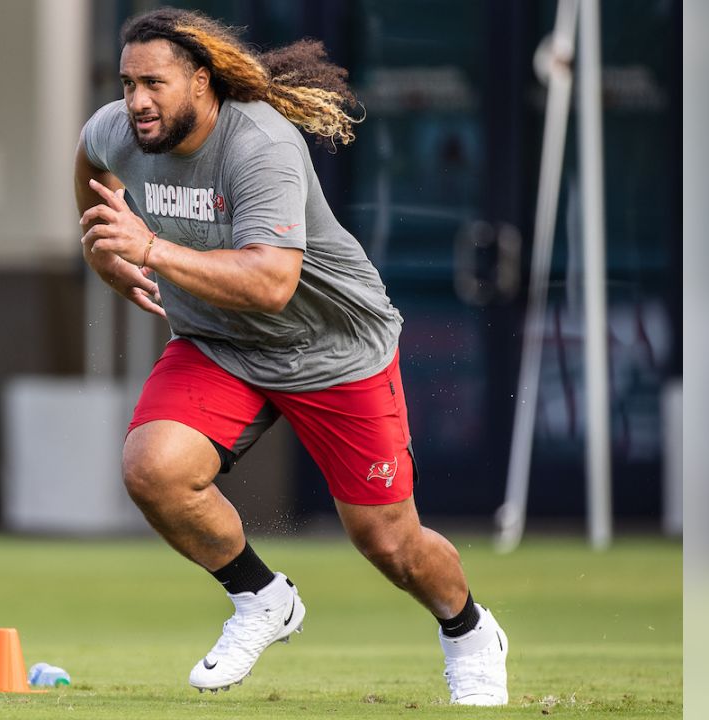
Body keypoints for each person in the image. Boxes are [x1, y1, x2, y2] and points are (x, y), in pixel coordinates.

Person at [74, 7, 509, 705]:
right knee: (153, 469)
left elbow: (272, 285)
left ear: (202, 80)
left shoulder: (262, 145)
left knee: (389, 544)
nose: (136, 102)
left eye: (153, 83)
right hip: (220, 345)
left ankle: (468, 630)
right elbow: (92, 163)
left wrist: (149, 249)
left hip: (333, 350)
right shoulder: (120, 132)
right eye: (127, 84)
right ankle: (260, 598)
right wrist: (102, 253)